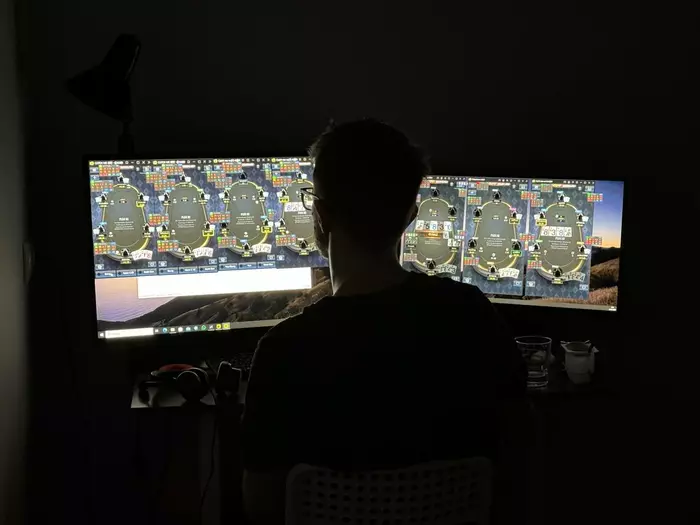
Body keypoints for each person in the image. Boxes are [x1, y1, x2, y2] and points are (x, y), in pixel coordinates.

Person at [241, 120, 527, 525]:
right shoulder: (473, 314)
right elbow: (517, 455)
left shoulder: (283, 351)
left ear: (320, 215)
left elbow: (262, 505)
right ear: (410, 216)